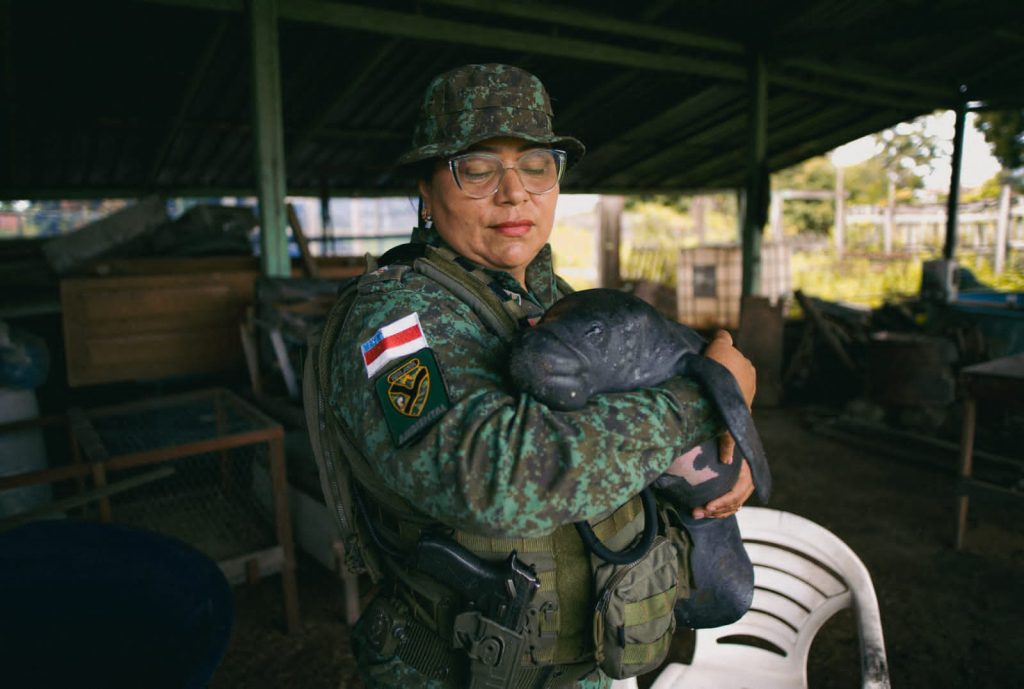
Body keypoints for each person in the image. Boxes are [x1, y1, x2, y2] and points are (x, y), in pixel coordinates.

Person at [317, 63, 756, 689]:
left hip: (590, 662)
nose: (514, 193)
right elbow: (490, 483)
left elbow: (625, 448)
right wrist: (703, 399)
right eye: (477, 167)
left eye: (536, 165)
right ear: (425, 186)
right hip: (465, 672)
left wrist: (713, 471)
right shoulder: (394, 321)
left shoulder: (563, 305)